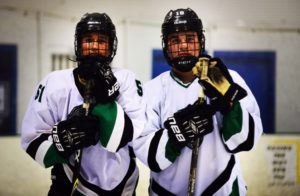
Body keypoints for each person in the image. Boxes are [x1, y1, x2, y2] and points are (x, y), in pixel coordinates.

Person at [133, 8, 263, 196]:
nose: (183, 46)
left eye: (189, 39)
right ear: (166, 46)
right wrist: (178, 133)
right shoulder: (150, 91)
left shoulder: (228, 79)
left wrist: (228, 104)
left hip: (222, 189)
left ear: (200, 41)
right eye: (175, 41)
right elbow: (146, 152)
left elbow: (246, 141)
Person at [21, 12, 145, 196]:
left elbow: (122, 139)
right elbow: (31, 140)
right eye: (88, 40)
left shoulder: (126, 80)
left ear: (111, 46)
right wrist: (62, 144)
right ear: (79, 44)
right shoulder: (53, 83)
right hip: (68, 184)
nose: (94, 47)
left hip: (122, 188)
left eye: (101, 41)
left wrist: (104, 98)